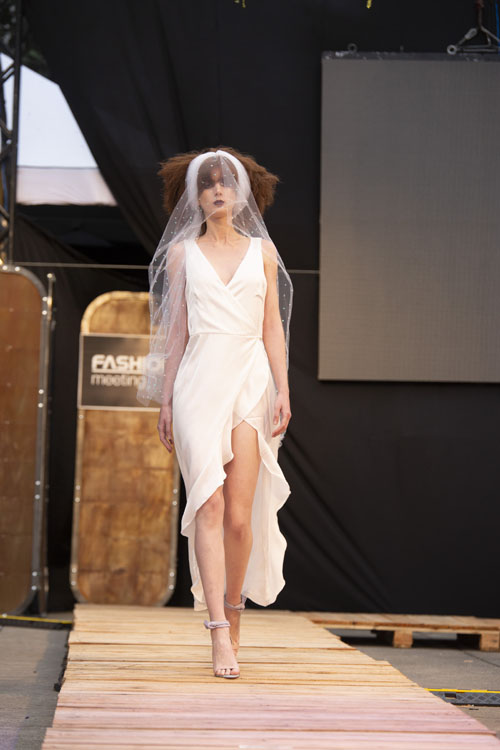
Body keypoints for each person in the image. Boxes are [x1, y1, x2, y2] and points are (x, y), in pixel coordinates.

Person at [138, 147, 293, 679]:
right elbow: (176, 332)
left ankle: (234, 607)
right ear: (194, 196)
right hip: (198, 382)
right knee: (207, 503)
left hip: (250, 379)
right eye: (207, 183)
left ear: (243, 191)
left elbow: (272, 326)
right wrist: (165, 399)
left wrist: (283, 389)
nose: (218, 189)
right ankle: (218, 633)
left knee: (239, 516)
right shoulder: (182, 254)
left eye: (226, 181)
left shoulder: (263, 253)